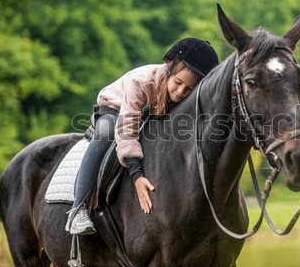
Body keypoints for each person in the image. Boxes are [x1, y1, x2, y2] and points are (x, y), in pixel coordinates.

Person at [65, 37, 219, 235]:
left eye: (188, 89)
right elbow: (127, 128)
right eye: (178, 82)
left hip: (150, 113)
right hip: (115, 109)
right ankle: (78, 210)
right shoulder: (142, 82)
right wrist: (137, 175)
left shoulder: (182, 94)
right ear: (169, 69)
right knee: (105, 134)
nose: (181, 92)